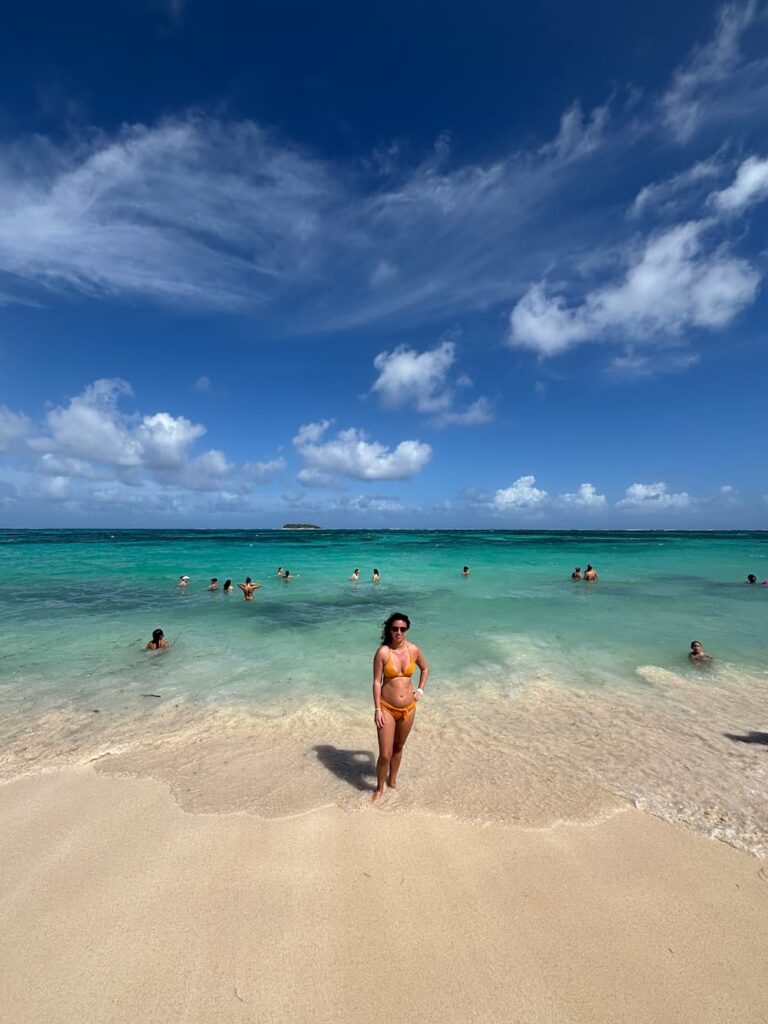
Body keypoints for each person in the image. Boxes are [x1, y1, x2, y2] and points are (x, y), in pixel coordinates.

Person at [371, 612, 429, 804]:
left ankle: (393, 780)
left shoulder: (413, 650)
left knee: (399, 747)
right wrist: (377, 708)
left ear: (407, 630)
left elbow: (425, 668)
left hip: (409, 708)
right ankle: (379, 789)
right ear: (389, 629)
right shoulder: (383, 652)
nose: (398, 632)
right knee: (385, 754)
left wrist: (420, 689)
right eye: (395, 628)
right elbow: (377, 682)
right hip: (387, 708)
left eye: (402, 629)